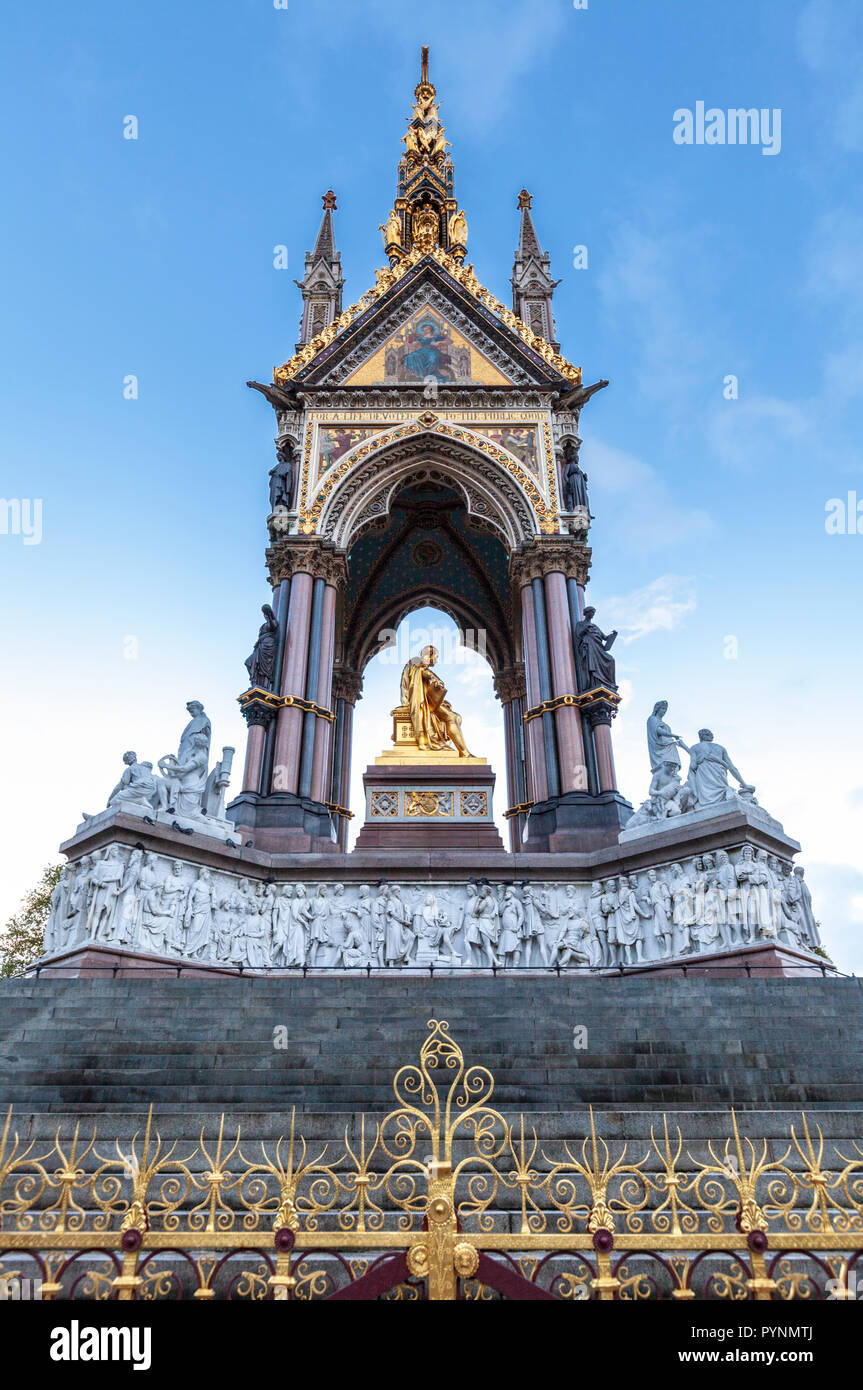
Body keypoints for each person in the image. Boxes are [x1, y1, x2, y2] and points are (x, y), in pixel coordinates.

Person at [400, 646, 471, 755]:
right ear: (430, 655)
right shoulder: (417, 663)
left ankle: (458, 749)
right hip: (422, 704)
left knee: (458, 718)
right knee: (453, 717)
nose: (436, 661)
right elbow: (422, 671)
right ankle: (465, 753)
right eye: (436, 657)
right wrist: (435, 678)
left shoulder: (417, 665)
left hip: (427, 702)